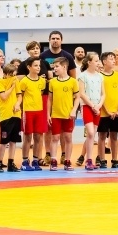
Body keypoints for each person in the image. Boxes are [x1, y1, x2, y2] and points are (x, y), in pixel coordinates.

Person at [40, 31, 77, 164]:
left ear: (61, 40)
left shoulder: (67, 56)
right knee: (49, 129)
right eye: (53, 38)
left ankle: (64, 155)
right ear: (49, 40)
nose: (55, 40)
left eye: (57, 38)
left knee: (65, 133)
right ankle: (49, 154)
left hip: (66, 98)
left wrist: (72, 102)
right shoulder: (43, 56)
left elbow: (73, 76)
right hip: (48, 94)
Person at [17, 42, 50, 167]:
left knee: (38, 135)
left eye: (39, 66)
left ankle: (36, 160)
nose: (38, 67)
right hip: (28, 111)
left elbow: (40, 92)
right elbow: (21, 95)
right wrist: (20, 108)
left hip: (39, 110)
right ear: (29, 67)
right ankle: (25, 161)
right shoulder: (24, 81)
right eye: (35, 65)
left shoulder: (42, 81)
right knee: (27, 137)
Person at [47, 57, 79, 171]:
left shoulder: (73, 81)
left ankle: (67, 160)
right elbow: (49, 99)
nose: (54, 69)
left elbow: (77, 98)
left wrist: (74, 110)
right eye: (54, 67)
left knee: (68, 137)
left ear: (64, 67)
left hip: (68, 115)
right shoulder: (52, 82)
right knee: (55, 137)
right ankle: (54, 160)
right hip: (55, 115)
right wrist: (48, 114)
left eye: (57, 66)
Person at [97, 51, 118, 168]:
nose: (113, 60)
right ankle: (102, 159)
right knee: (102, 136)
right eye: (110, 59)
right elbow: (99, 94)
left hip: (116, 112)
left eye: (114, 58)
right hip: (104, 112)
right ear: (104, 62)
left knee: (114, 136)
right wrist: (107, 110)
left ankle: (115, 160)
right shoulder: (99, 76)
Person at [78, 52, 104, 171]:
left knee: (92, 134)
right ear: (89, 62)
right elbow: (82, 94)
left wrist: (99, 105)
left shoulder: (100, 76)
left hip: (97, 107)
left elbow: (103, 94)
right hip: (87, 106)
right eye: (96, 60)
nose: (98, 63)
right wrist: (92, 105)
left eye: (98, 60)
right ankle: (89, 160)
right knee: (91, 132)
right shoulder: (82, 76)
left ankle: (88, 159)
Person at [0, 64, 22, 172]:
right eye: (11, 75)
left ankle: (11, 162)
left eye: (14, 75)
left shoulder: (16, 81)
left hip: (16, 113)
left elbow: (19, 95)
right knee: (4, 140)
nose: (13, 77)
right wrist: (11, 86)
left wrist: (17, 104)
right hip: (6, 114)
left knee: (14, 140)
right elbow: (4, 96)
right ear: (5, 74)